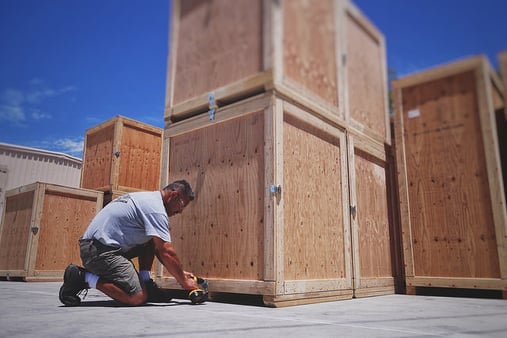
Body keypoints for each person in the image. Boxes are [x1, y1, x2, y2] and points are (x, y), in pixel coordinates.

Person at [59, 179, 202, 306]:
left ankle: (145, 281)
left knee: (152, 238)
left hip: (101, 247)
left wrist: (180, 273)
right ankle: (82, 277)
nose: (181, 211)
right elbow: (167, 252)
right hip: (98, 251)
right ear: (174, 195)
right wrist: (184, 282)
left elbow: (158, 249)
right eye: (182, 205)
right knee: (137, 297)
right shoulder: (155, 210)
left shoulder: (149, 200)